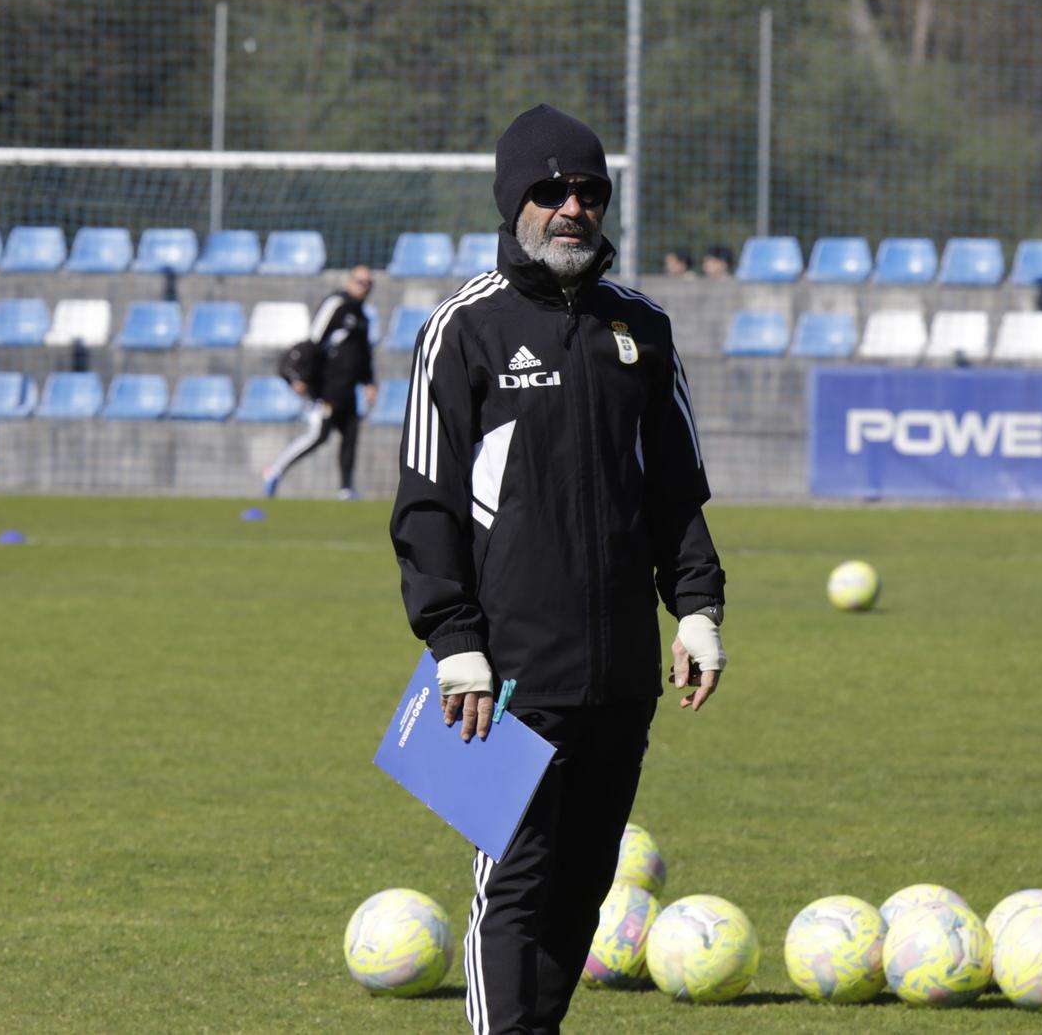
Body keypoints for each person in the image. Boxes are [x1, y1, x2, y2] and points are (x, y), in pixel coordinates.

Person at [390, 103, 726, 1034]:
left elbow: (675, 497)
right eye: (550, 190)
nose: (572, 206)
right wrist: (454, 640)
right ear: (514, 202)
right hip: (506, 677)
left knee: (581, 885)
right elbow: (427, 506)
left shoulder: (643, 330)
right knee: (518, 885)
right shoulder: (462, 331)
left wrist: (696, 608)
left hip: (622, 680)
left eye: (589, 190)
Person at [261, 264, 378, 499]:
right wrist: (303, 377)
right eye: (359, 281)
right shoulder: (336, 304)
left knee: (350, 437)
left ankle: (346, 489)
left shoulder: (363, 317)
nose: (363, 287)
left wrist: (369, 382)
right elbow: (313, 342)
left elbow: (363, 354)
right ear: (349, 281)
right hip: (327, 388)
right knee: (317, 435)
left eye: (368, 284)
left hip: (349, 389)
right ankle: (275, 470)